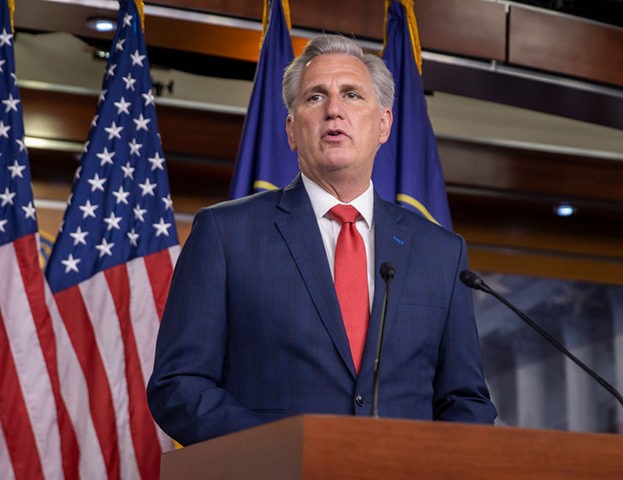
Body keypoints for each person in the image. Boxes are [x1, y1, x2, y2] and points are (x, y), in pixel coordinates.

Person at [147, 34, 496, 445]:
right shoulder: (225, 235)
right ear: (292, 130)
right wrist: (283, 452)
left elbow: (465, 400)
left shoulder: (440, 252)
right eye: (315, 97)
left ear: (383, 124)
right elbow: (179, 384)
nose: (334, 110)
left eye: (351, 95)